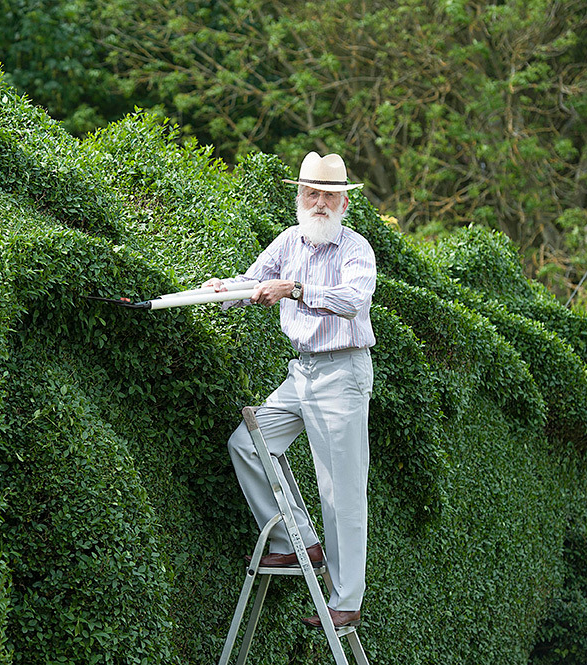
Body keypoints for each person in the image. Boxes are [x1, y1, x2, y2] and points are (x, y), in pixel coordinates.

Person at [203, 151, 376, 629]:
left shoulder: (356, 249)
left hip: (342, 372)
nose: (319, 202)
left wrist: (295, 290)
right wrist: (225, 288)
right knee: (248, 443)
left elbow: (353, 300)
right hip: (302, 372)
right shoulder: (289, 240)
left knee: (339, 490)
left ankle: (345, 601)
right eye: (311, 193)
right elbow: (254, 281)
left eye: (328, 195)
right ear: (300, 197)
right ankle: (297, 542)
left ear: (344, 203)